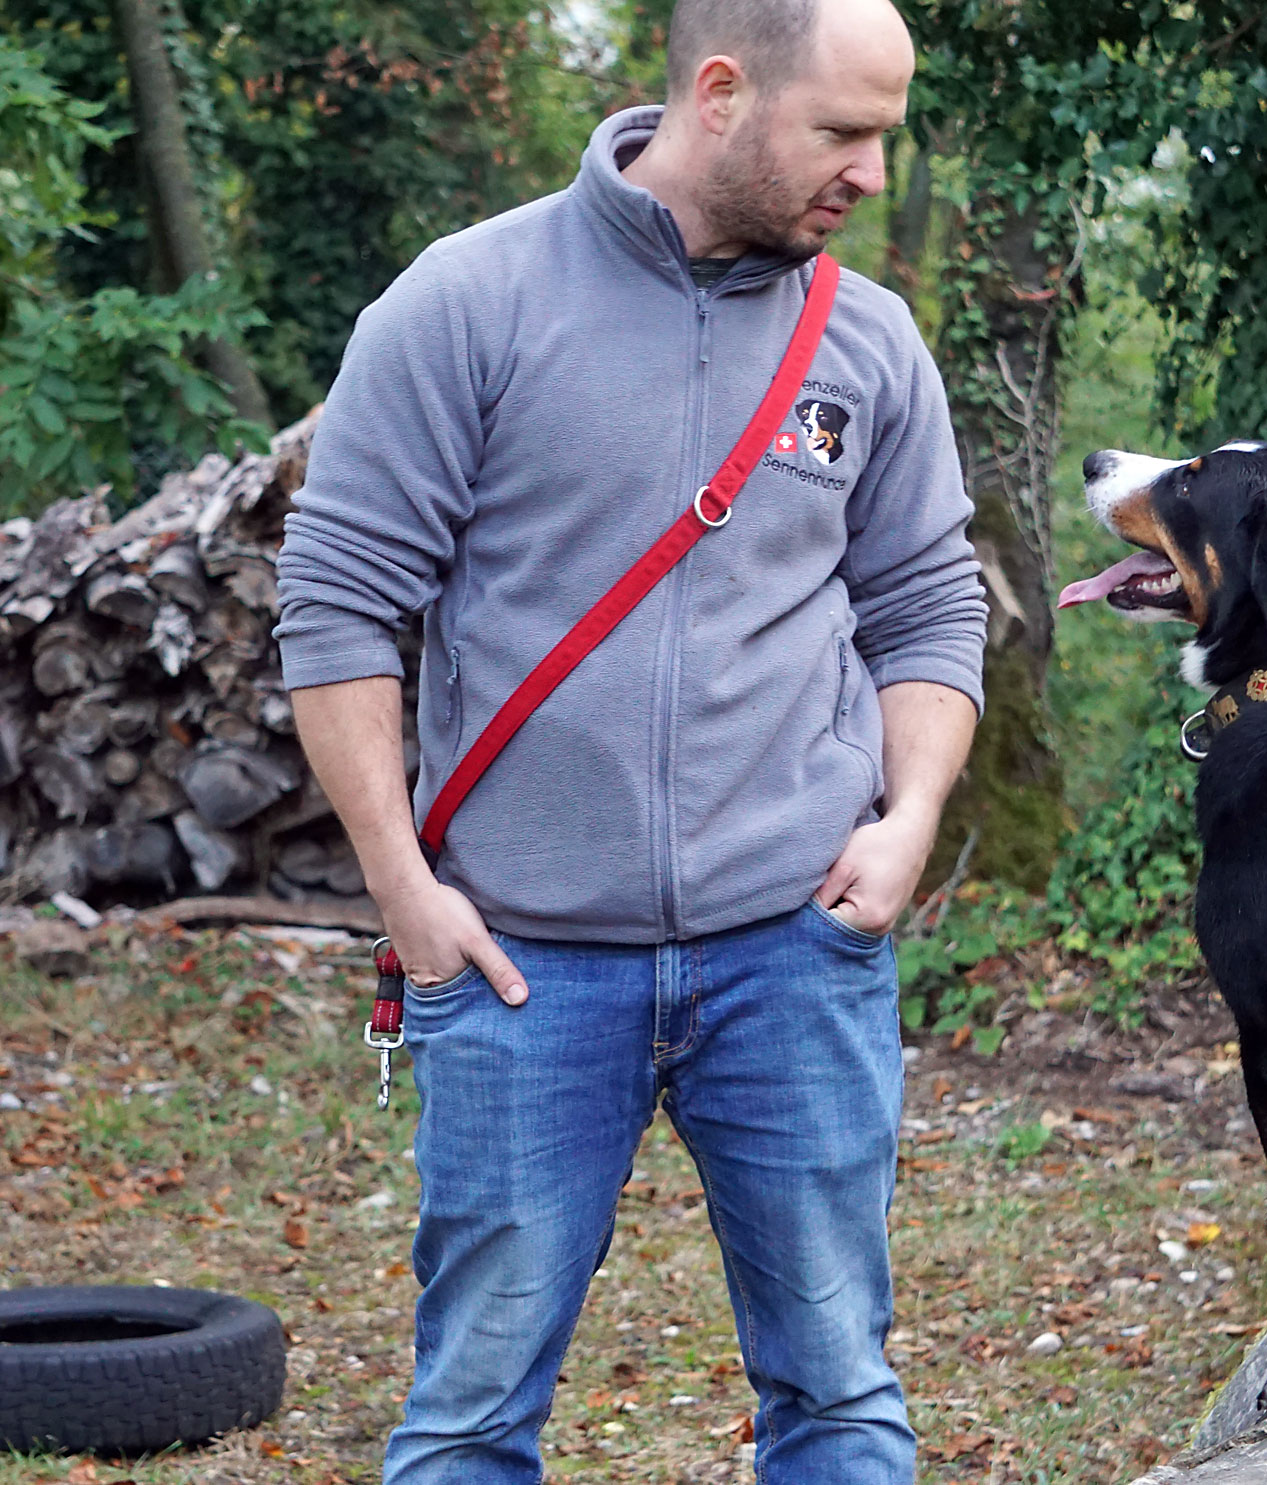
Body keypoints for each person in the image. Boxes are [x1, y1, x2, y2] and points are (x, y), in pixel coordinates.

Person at [273, 0, 984, 1478]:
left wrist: (908, 816)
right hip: (523, 969)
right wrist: (405, 893)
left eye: (884, 135)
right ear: (719, 93)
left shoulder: (866, 337)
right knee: (470, 1415)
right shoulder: (466, 304)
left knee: (842, 1395)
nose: (867, 169)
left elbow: (925, 605)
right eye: (841, 131)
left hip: (796, 953)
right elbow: (338, 609)